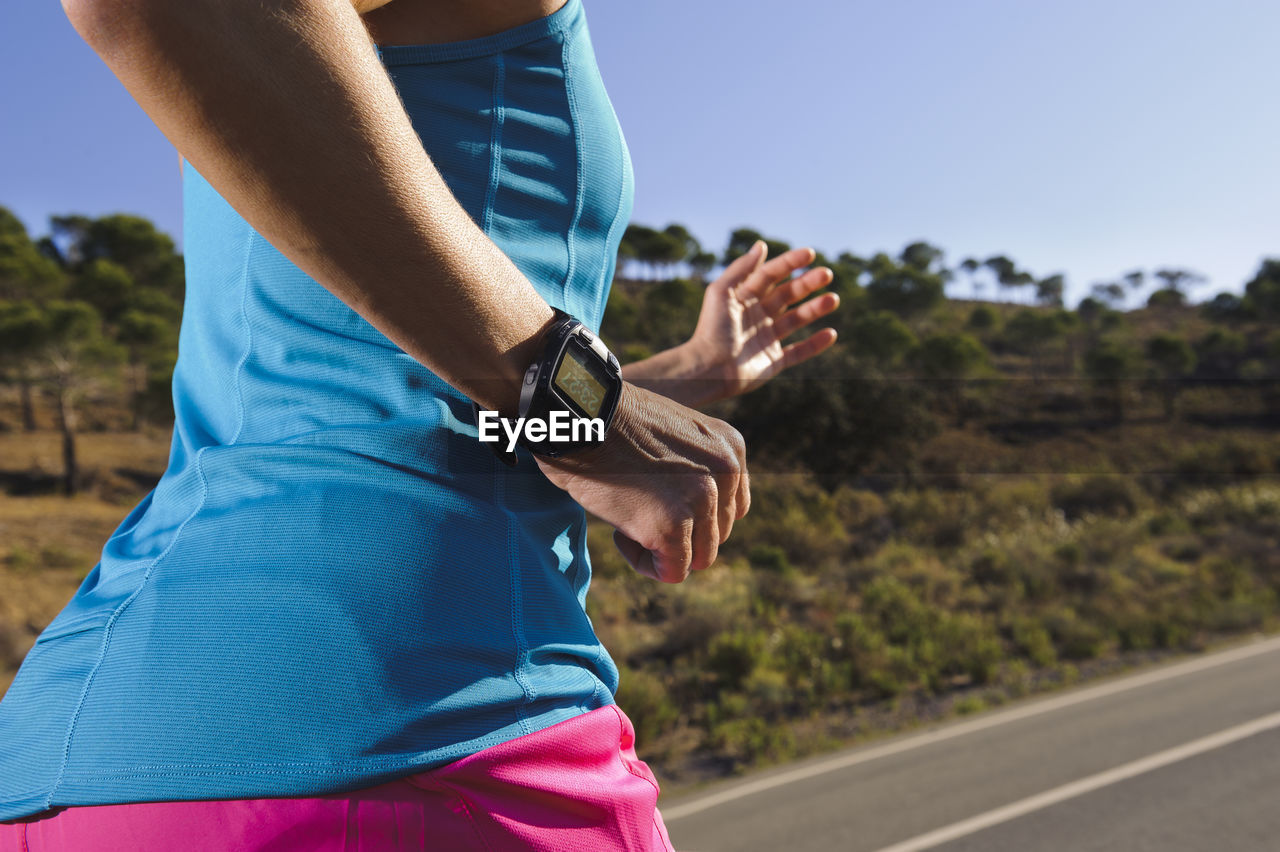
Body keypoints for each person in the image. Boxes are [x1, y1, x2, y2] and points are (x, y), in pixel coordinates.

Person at [0, 0, 839, 848]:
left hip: (77, 768)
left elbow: (415, 428)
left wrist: (672, 381)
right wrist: (579, 402)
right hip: (422, 733)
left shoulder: (283, 94)